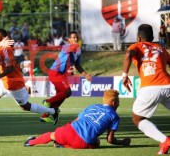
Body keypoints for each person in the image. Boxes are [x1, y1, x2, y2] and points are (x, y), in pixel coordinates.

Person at [0, 28, 59, 136]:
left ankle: (53, 112)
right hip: (4, 81)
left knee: (25, 106)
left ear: (3, 38)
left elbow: (11, 68)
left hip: (14, 83)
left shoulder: (6, 49)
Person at [24, 90, 131, 149]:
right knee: (96, 142)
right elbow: (110, 140)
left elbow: (76, 120)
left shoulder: (93, 106)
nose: (118, 103)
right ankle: (63, 145)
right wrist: (123, 142)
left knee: (52, 135)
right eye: (118, 101)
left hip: (69, 130)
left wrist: (67, 128)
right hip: (82, 142)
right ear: (113, 103)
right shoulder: (114, 116)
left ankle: (31, 142)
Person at [122, 24, 170, 155]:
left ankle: (165, 140)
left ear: (138, 37)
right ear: (153, 37)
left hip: (150, 87)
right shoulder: (160, 48)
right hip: (168, 85)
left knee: (137, 118)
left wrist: (124, 75)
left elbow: (128, 54)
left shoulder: (136, 46)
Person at [40, 31, 92, 123]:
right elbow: (70, 49)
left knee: (61, 96)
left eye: (76, 37)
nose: (75, 39)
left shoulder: (78, 51)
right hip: (55, 72)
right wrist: (76, 45)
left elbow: (77, 65)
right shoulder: (66, 47)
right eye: (73, 37)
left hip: (61, 74)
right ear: (69, 40)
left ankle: (46, 115)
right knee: (67, 92)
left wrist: (85, 74)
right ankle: (47, 102)